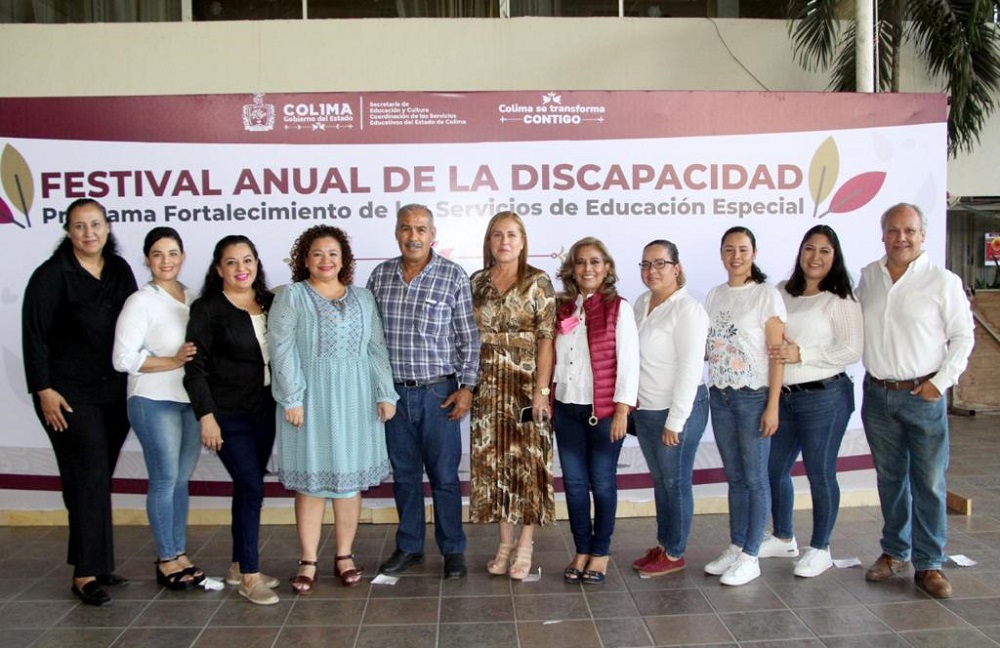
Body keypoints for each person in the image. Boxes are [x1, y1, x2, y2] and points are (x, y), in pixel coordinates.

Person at [22, 198, 137, 606]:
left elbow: (134, 324)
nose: (89, 233)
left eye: (96, 224)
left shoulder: (119, 269)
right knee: (87, 476)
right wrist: (43, 389)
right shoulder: (51, 275)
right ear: (68, 231)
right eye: (80, 226)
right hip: (67, 395)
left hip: (113, 392)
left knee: (94, 478)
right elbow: (34, 334)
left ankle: (97, 562)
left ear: (107, 227)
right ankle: (85, 573)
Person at [269, 225, 396, 591]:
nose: (326, 260)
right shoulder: (292, 296)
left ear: (344, 260)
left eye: (333, 254)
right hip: (310, 399)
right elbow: (281, 349)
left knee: (349, 482)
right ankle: (308, 560)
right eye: (318, 254)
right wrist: (292, 398)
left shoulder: (363, 297)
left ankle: (344, 555)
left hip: (356, 398)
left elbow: (376, 347)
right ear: (305, 259)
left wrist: (385, 393)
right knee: (311, 484)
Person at [857, 203, 974, 599]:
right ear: (883, 234)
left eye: (909, 230)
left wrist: (940, 383)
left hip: (923, 396)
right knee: (890, 480)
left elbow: (963, 336)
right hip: (878, 395)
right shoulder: (869, 277)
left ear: (923, 234)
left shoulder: (942, 281)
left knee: (929, 482)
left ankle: (929, 564)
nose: (901, 238)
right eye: (893, 230)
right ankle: (895, 552)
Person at [367, 204, 480, 580]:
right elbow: (371, 340)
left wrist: (467, 388)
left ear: (433, 235)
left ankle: (453, 550)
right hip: (394, 396)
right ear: (396, 233)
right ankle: (409, 547)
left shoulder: (452, 276)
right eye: (405, 228)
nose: (412, 236)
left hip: (439, 394)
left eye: (420, 229)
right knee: (405, 476)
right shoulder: (380, 276)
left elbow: (469, 339)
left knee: (445, 476)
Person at [183, 234, 280, 605]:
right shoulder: (207, 309)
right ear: (219, 269)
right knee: (252, 486)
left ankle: (239, 565)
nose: (241, 268)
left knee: (247, 487)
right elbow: (195, 369)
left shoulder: (270, 303)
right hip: (227, 414)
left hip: (264, 410)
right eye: (232, 262)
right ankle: (251, 577)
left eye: (247, 260)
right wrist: (206, 417)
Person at [763, 225, 862, 577]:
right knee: (774, 469)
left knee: (820, 473)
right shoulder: (781, 292)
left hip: (826, 397)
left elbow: (851, 350)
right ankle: (783, 537)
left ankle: (821, 548)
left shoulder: (840, 298)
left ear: (835, 257)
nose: (815, 257)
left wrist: (802, 353)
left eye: (824, 251)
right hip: (784, 398)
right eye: (809, 248)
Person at [112, 227, 205, 591]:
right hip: (152, 401)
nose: (166, 261)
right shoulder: (140, 301)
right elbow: (122, 360)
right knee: (165, 479)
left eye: (172, 253)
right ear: (147, 259)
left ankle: (179, 553)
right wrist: (172, 360)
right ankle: (166, 559)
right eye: (157, 254)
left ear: (183, 257)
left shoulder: (192, 297)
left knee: (180, 480)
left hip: (189, 402)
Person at [469, 212, 557, 580]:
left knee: (528, 464)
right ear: (489, 242)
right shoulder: (476, 282)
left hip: (525, 386)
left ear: (522, 242)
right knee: (495, 465)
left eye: (511, 235)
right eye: (497, 235)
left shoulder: (538, 281)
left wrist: (542, 391)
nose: (504, 241)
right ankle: (504, 543)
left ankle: (525, 543)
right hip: (488, 386)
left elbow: (547, 340)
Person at [554, 237, 639, 585]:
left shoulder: (620, 308)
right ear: (572, 269)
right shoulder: (562, 309)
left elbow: (629, 363)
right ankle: (581, 550)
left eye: (595, 261)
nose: (587, 268)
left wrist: (622, 410)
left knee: (602, 484)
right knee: (574, 486)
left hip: (604, 413)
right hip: (566, 410)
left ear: (607, 268)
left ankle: (600, 552)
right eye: (580, 262)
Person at [704, 226, 786, 587]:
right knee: (735, 477)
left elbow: (777, 355)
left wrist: (773, 405)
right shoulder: (715, 295)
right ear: (721, 253)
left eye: (742, 249)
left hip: (754, 397)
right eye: (728, 249)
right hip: (720, 396)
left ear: (754, 252)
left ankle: (752, 555)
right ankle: (737, 546)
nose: (735, 256)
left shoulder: (767, 296)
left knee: (755, 478)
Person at [631, 240, 710, 578]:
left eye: (660, 263)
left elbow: (690, 371)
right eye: (646, 264)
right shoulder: (642, 302)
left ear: (676, 268)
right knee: (661, 481)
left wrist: (676, 421)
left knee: (675, 482)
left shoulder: (688, 311)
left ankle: (675, 552)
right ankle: (664, 544)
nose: (652, 271)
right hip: (647, 409)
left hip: (679, 409)